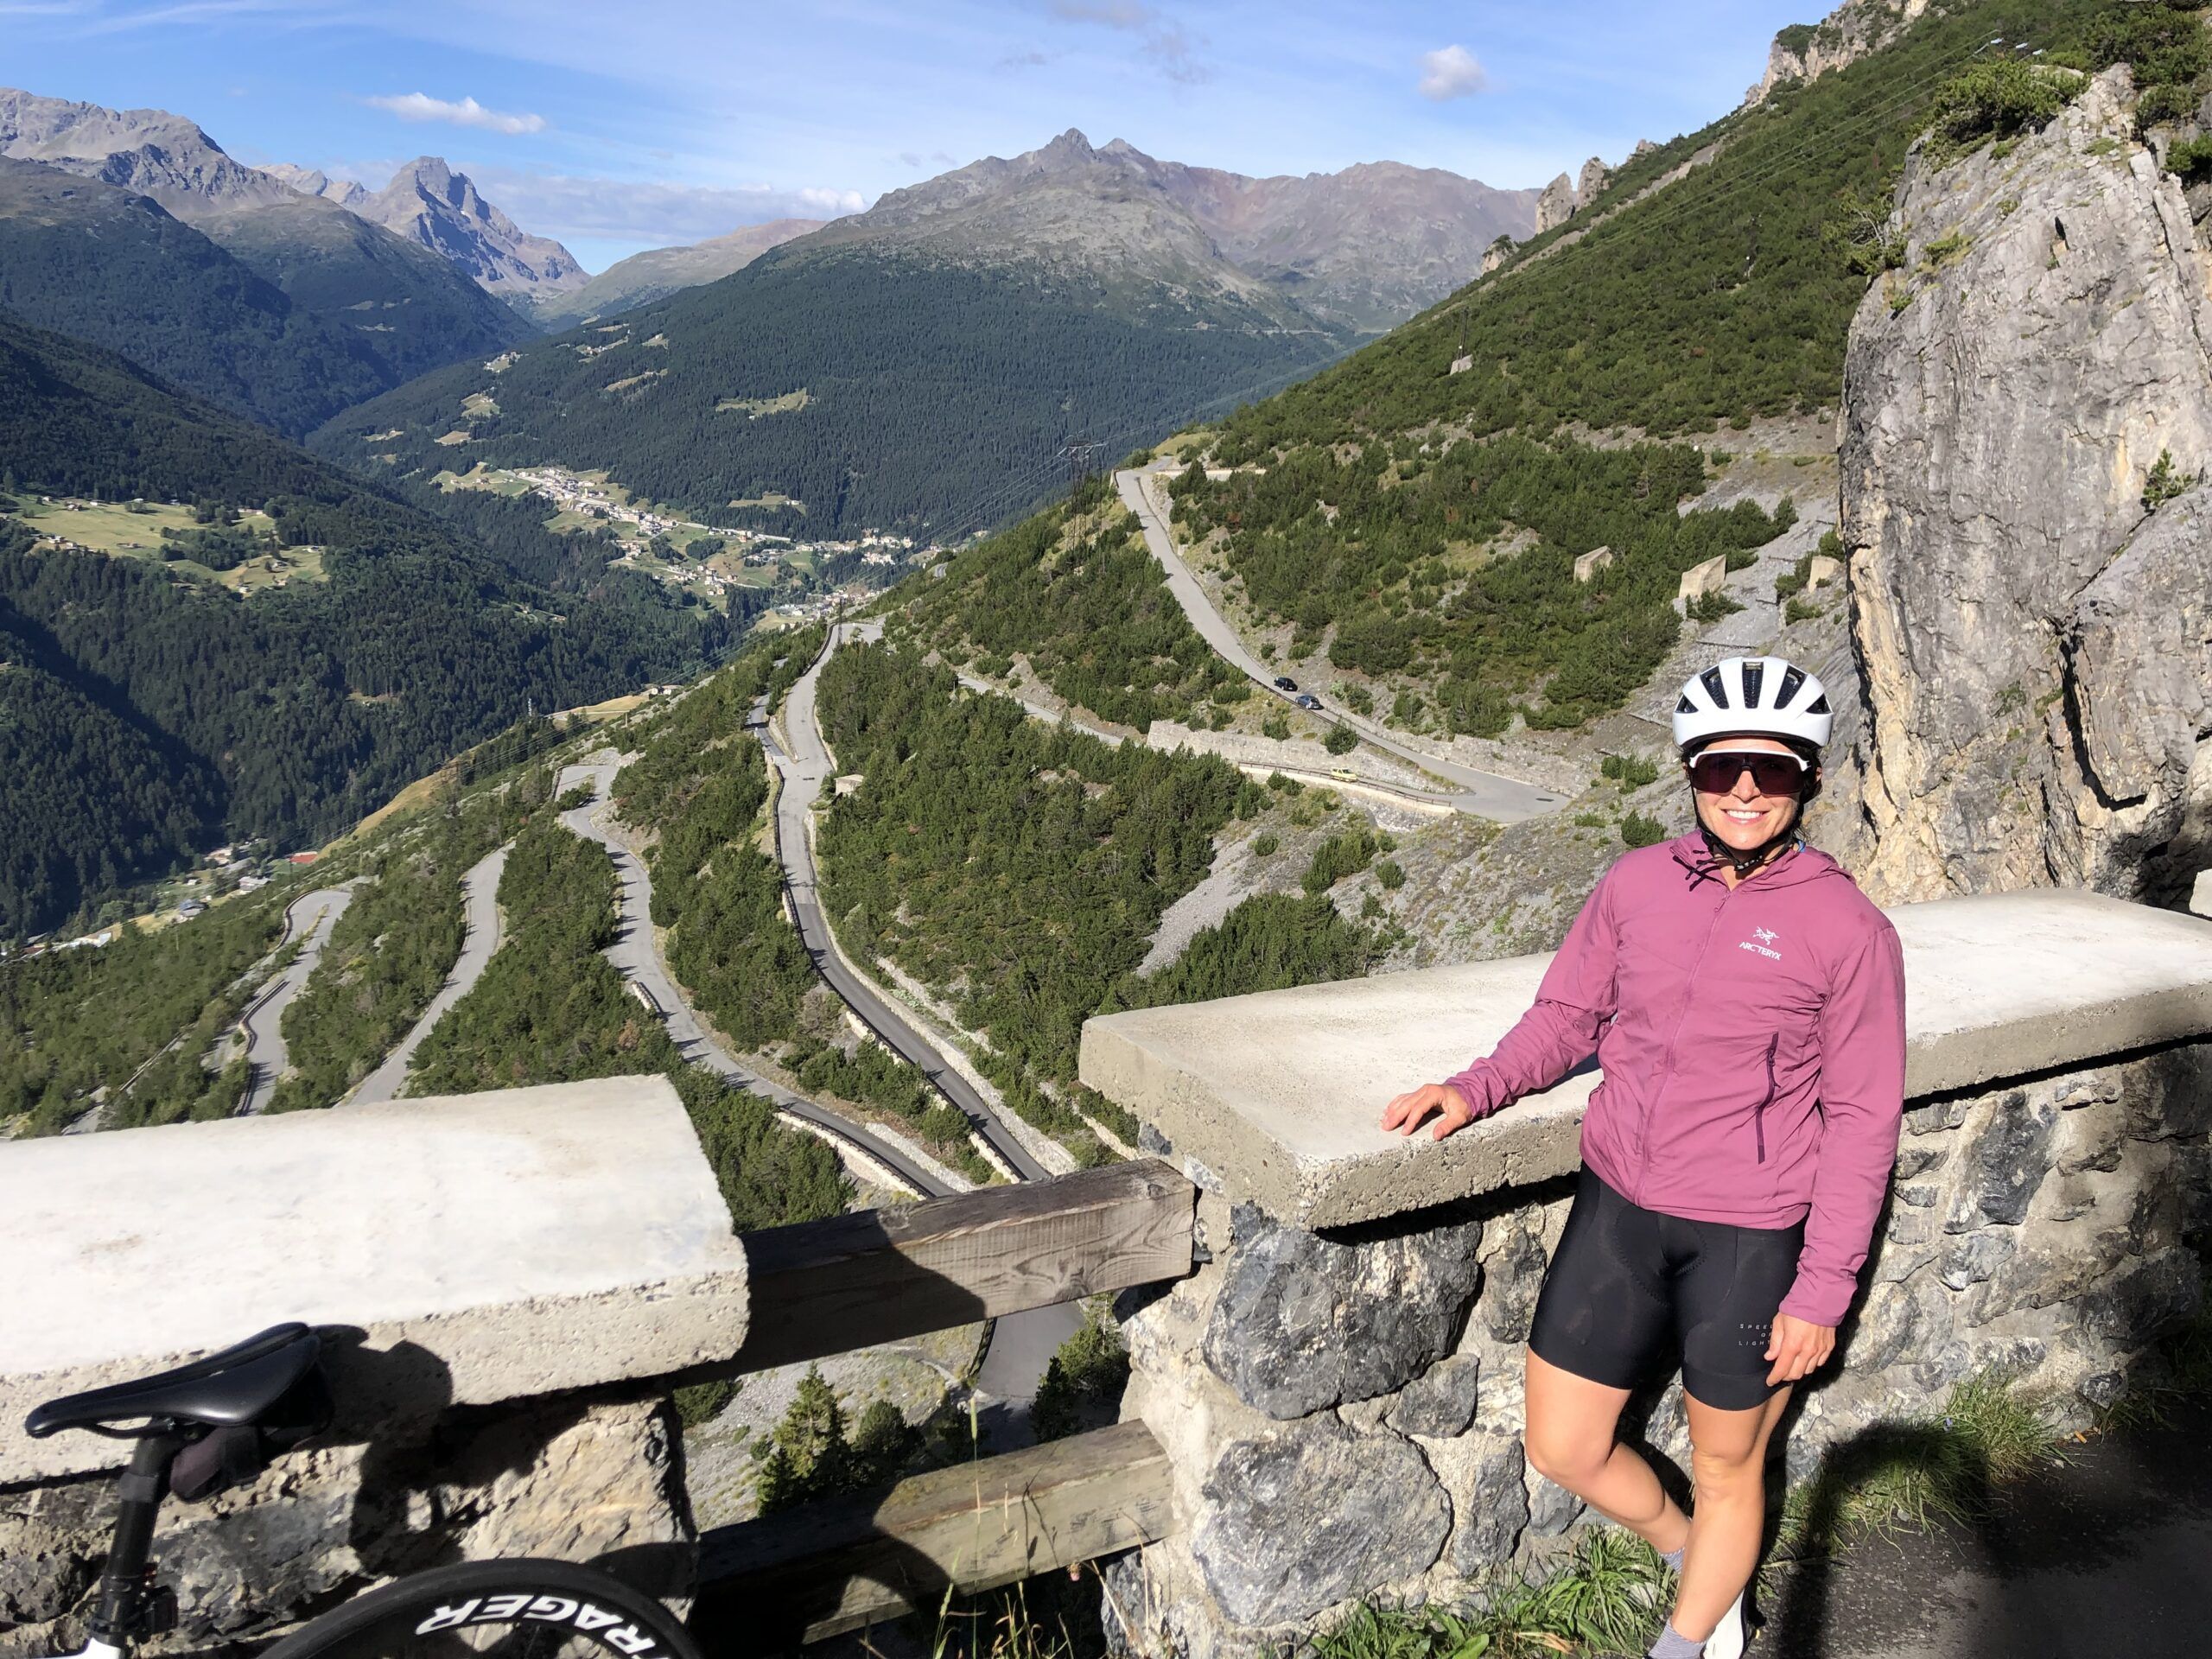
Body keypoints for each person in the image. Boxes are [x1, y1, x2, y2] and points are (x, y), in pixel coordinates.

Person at [1380, 656, 1905, 1659]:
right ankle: (1687, 1556)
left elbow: (1862, 1118)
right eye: (1719, 769)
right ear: (1690, 776)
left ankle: (1696, 1637)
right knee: (1563, 1445)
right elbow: (1569, 1015)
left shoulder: (1848, 931)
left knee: (1728, 1468)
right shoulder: (1635, 883)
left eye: (1772, 768)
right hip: (1620, 1202)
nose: (1744, 789)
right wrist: (1475, 1085)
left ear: (1809, 780)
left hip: (1753, 1235)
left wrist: (1823, 1287)